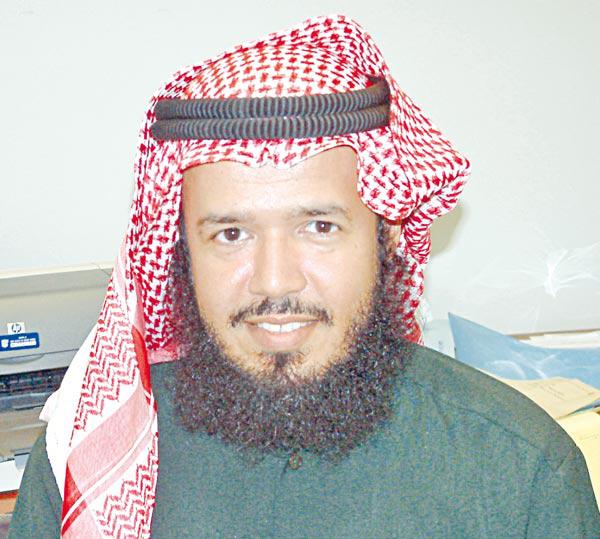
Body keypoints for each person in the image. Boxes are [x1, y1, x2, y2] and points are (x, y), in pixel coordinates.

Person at [9, 14, 599, 539]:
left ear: (388, 235)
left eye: (319, 227)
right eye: (230, 234)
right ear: (182, 251)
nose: (274, 282)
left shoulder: (520, 468)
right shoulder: (89, 457)